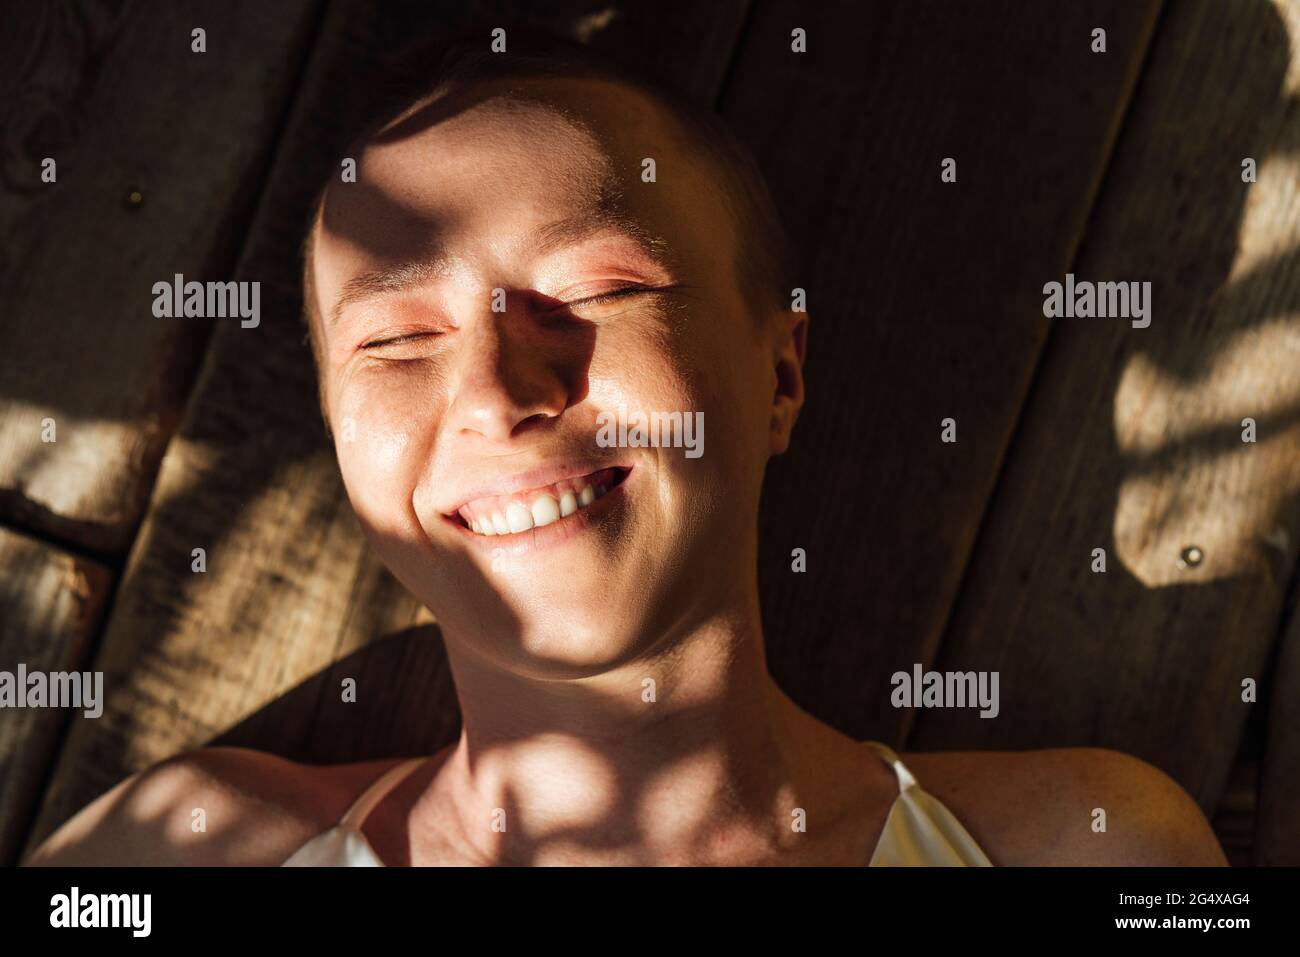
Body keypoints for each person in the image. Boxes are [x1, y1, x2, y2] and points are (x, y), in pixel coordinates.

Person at [28, 34, 1226, 867]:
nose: (496, 393)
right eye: (395, 341)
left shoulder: (1082, 844)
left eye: (598, 290)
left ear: (782, 374)